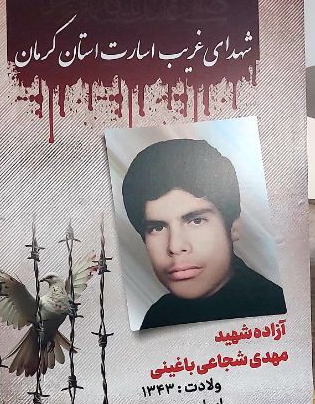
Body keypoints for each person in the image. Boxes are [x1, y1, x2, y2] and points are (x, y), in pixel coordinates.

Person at [121, 137, 286, 330]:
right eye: (157, 228)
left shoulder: (274, 308)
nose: (175, 246)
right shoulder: (158, 316)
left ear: (233, 227)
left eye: (196, 221)